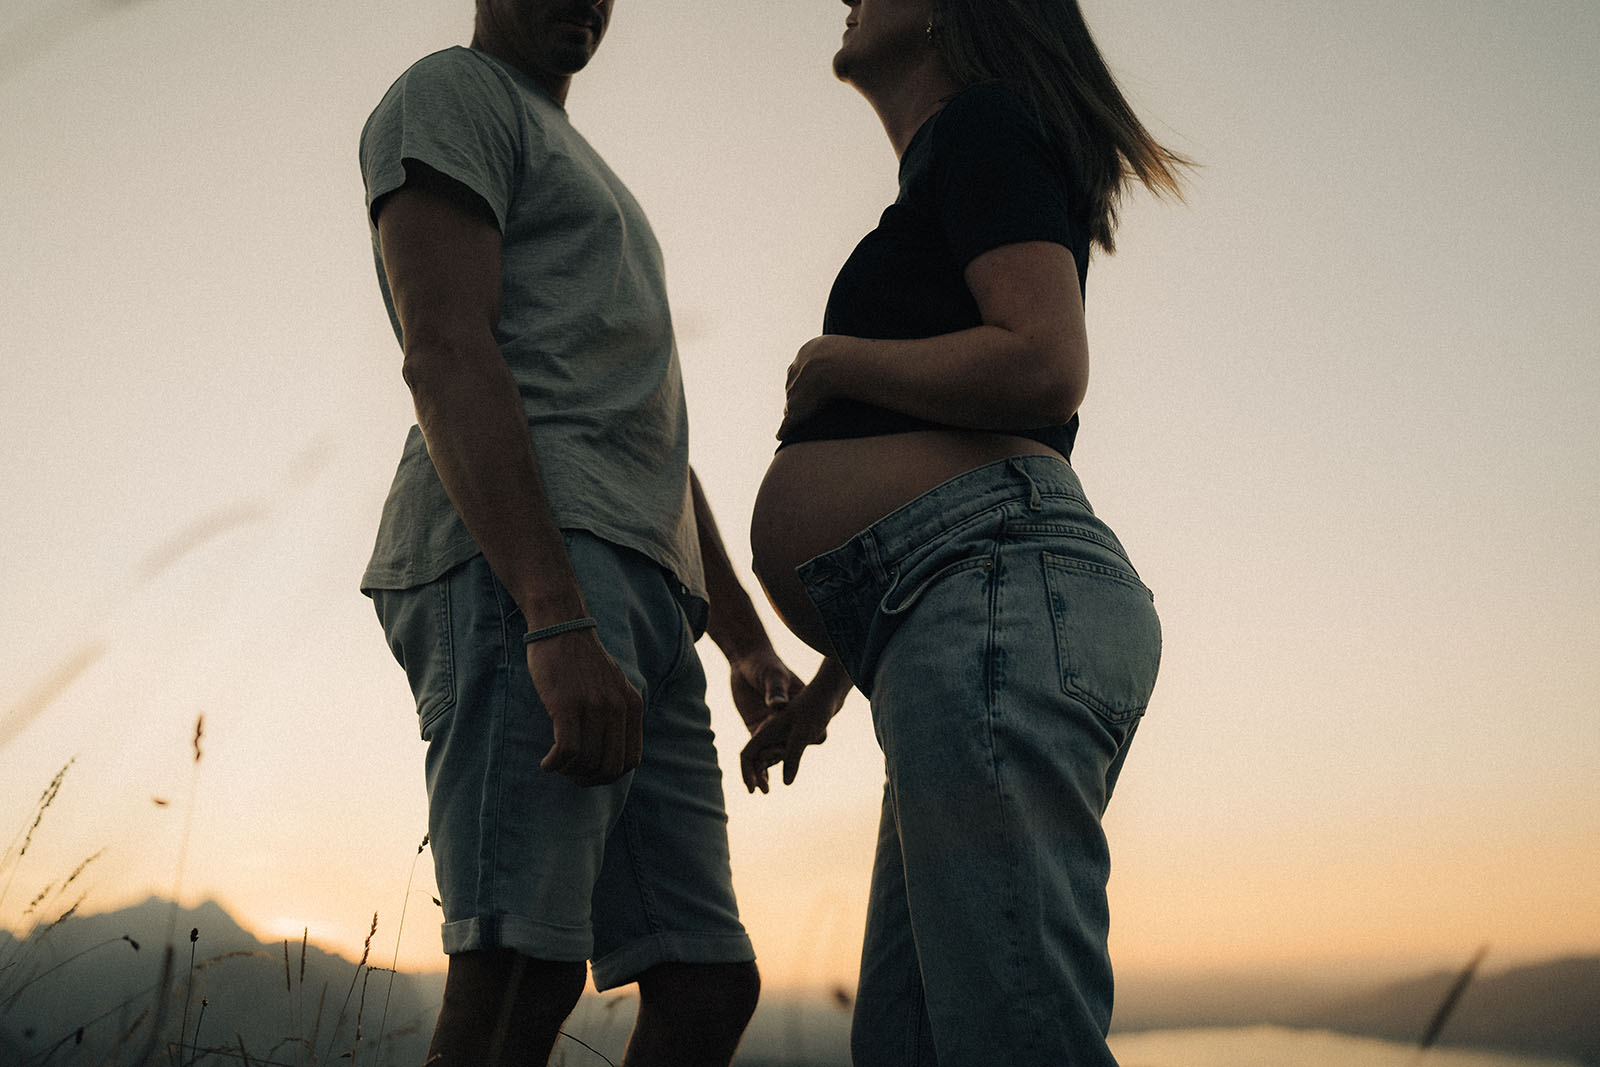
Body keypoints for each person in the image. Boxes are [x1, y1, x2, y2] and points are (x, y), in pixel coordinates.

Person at [740, 0, 1187, 1062]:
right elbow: (942, 505)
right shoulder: (964, 153)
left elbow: (1044, 361)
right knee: (911, 1043)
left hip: (993, 612)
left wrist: (838, 362)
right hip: (961, 614)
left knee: (1010, 1037)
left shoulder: (984, 123)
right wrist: (826, 692)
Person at [357, 1, 803, 1063]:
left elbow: (651, 442)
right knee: (520, 966)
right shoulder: (451, 96)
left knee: (705, 981)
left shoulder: (585, 167)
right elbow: (444, 350)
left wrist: (743, 641)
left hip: (646, 597)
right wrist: (553, 619)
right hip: (530, 571)